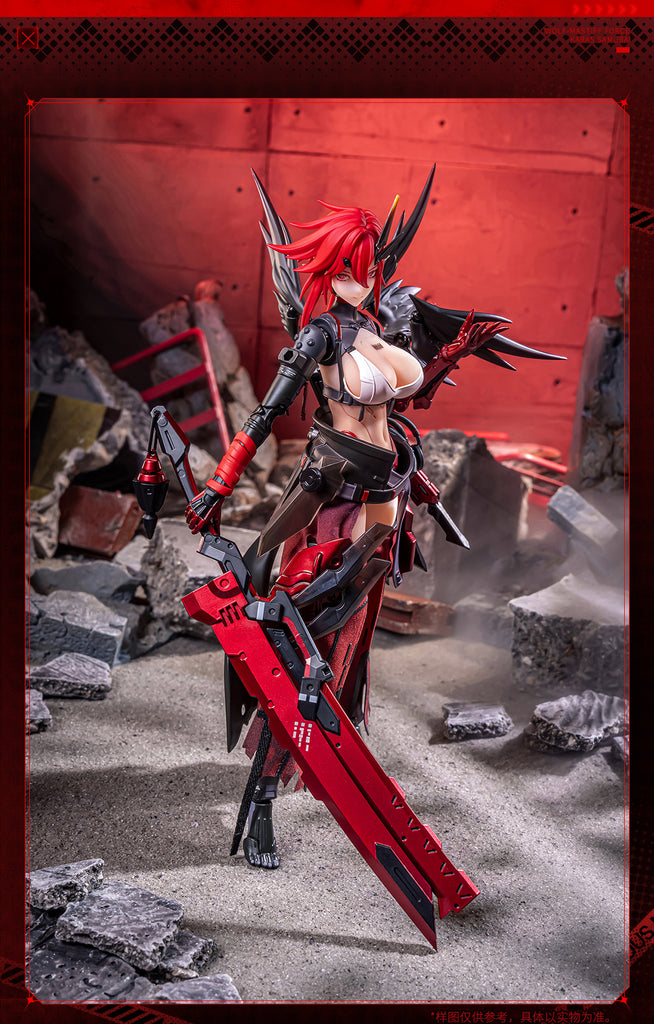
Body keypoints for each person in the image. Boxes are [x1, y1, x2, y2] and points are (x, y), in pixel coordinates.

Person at [184, 166, 559, 869]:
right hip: (332, 498)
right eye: (347, 269)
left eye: (367, 268)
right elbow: (263, 415)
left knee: (346, 652)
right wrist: (219, 484)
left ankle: (325, 762)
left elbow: (403, 400)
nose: (360, 280)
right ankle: (261, 799)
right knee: (303, 652)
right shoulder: (320, 337)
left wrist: (455, 348)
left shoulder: (379, 324)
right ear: (328, 270)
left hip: (386, 499)